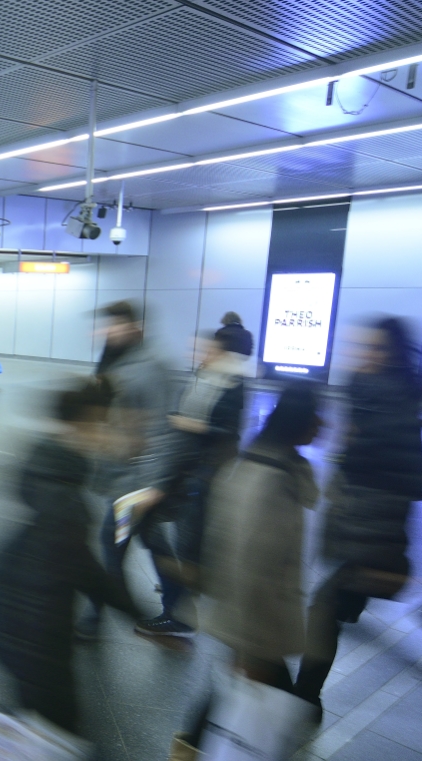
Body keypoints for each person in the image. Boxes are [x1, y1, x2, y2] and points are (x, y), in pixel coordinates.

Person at [0, 379, 140, 733]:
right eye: (106, 424)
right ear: (84, 424)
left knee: (23, 721)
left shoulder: (56, 469)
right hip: (28, 624)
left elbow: (80, 564)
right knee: (51, 726)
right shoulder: (62, 493)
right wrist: (142, 616)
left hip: (11, 613)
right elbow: (84, 567)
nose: (111, 435)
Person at [293, 317, 422, 714]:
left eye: (376, 349)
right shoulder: (375, 397)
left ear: (393, 355)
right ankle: (306, 692)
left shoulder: (387, 407)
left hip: (369, 536)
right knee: (330, 609)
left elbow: (396, 487)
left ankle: (305, 695)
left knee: (323, 611)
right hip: (356, 528)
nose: (363, 356)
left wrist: (374, 551)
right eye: (361, 347)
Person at [181, 383, 322, 756]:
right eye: (316, 417)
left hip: (257, 621)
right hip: (257, 622)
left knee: (248, 701)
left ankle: (189, 747)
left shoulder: (267, 465)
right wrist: (250, 648)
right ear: (299, 422)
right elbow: (250, 564)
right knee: (258, 705)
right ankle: (190, 748)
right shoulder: (270, 480)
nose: (323, 425)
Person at [134, 328, 248, 640]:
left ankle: (179, 610)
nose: (199, 355)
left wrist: (190, 425)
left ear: (223, 353)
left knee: (177, 540)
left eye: (206, 351)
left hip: (200, 476)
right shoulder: (206, 378)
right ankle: (182, 595)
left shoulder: (230, 384)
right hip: (185, 472)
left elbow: (225, 431)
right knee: (176, 540)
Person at [79, 299, 177, 641]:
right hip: (122, 476)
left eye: (116, 325)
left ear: (135, 327)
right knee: (154, 543)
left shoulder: (150, 367)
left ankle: (97, 615)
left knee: (111, 544)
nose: (109, 331)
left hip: (135, 484)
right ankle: (179, 610)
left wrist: (153, 484)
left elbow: (161, 431)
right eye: (107, 326)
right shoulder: (116, 361)